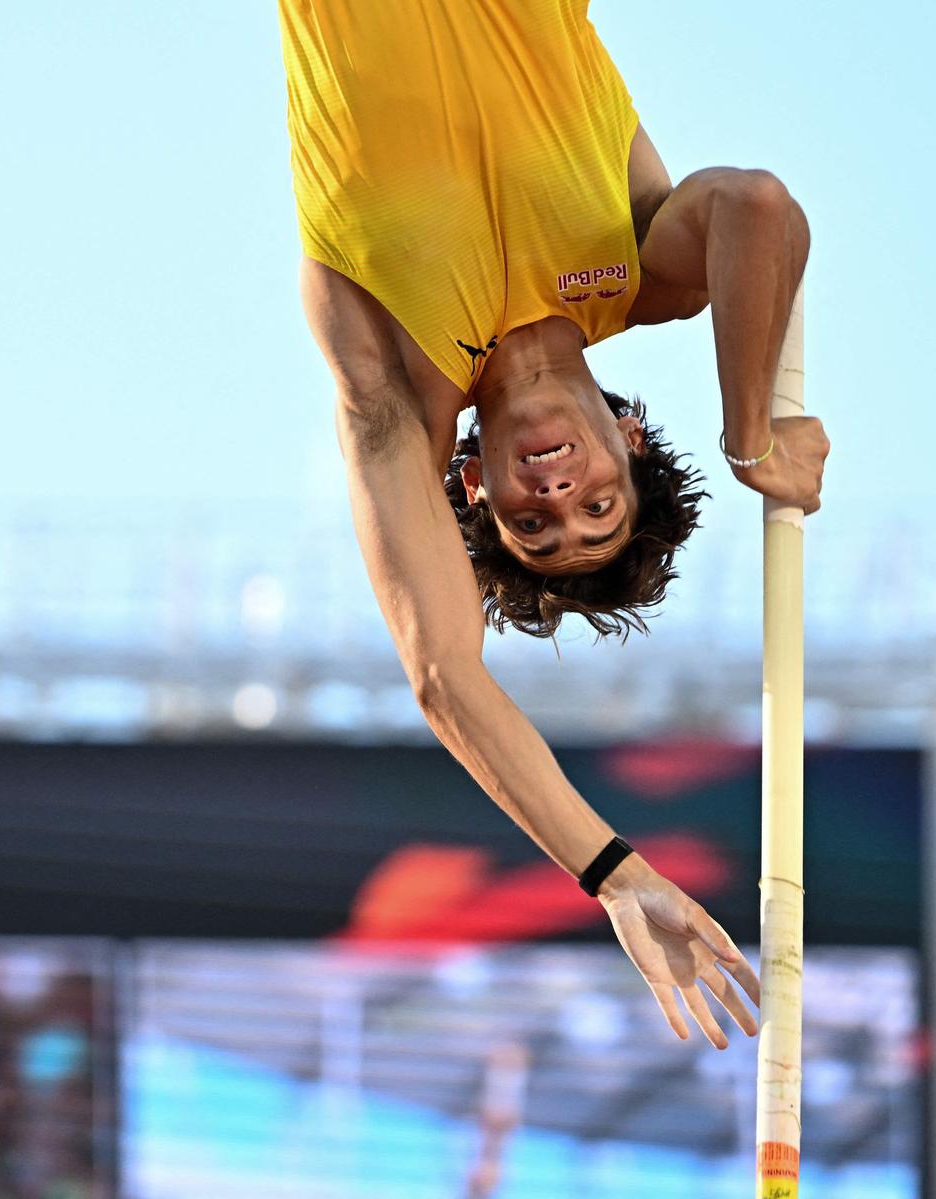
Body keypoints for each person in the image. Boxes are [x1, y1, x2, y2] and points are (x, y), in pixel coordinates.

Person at [281, 0, 827, 1049]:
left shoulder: (395, 388)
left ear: (476, 486)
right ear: (627, 436)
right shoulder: (638, 268)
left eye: (538, 527)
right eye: (598, 505)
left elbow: (443, 673)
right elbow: (760, 211)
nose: (557, 496)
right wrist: (750, 434)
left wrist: (616, 876)